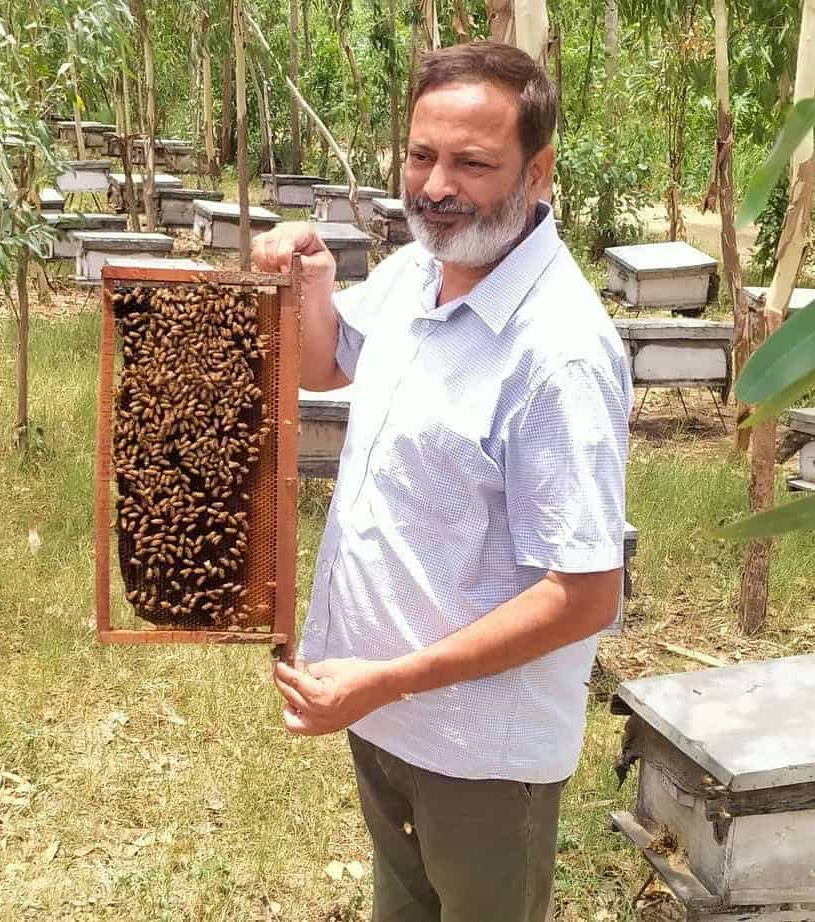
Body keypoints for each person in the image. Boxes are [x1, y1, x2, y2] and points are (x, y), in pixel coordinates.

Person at [252, 41, 633, 922]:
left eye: (472, 162)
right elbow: (326, 363)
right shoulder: (417, 272)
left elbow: (584, 594)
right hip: (384, 714)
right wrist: (308, 275)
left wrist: (391, 679)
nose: (435, 186)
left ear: (536, 172)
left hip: (480, 755)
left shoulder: (559, 353)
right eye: (422, 155)